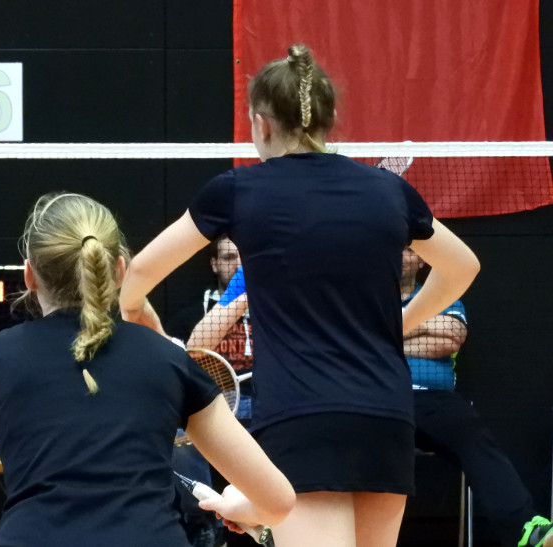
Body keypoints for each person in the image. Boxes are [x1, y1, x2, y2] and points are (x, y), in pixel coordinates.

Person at [119, 43, 480, 547]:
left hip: (302, 415)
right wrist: (399, 325)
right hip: (387, 417)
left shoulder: (237, 191)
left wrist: (137, 316)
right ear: (328, 120)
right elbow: (463, 267)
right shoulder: (388, 191)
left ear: (260, 123)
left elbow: (137, 273)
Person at [0, 192, 295, 546]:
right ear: (119, 270)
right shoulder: (169, 361)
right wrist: (239, 506)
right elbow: (277, 500)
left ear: (29, 275)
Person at [401, 247, 553, 547]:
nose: (400, 254)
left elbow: (451, 338)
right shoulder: (365, 299)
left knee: (473, 436)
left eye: (409, 250)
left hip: (434, 403)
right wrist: (423, 327)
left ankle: (525, 530)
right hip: (377, 399)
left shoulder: (440, 295)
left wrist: (383, 336)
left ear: (422, 260)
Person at [167, 236, 252, 546]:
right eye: (228, 258)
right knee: (179, 436)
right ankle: (204, 524)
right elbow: (179, 363)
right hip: (211, 405)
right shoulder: (190, 317)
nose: (237, 265)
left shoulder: (272, 313)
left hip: (263, 403)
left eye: (242, 257)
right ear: (214, 264)